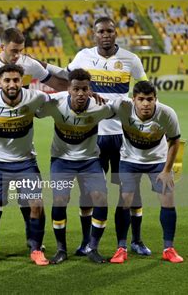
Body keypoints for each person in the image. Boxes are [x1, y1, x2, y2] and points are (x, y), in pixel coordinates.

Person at [45, 17, 151, 256]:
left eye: (109, 31)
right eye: (101, 31)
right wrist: (44, 66)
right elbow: (66, 76)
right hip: (95, 137)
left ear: (116, 33)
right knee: (88, 193)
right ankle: (86, 243)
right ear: (94, 35)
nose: (105, 35)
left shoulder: (131, 60)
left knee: (130, 190)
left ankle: (132, 241)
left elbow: (145, 89)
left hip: (123, 135)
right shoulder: (83, 56)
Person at [0, 27, 69, 251]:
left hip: (23, 137)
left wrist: (80, 91)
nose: (17, 56)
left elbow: (57, 84)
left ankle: (34, 244)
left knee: (29, 199)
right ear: (2, 47)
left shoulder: (28, 64)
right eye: (13, 51)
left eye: (21, 51)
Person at [0, 64, 50, 266]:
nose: (12, 84)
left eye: (16, 80)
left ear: (22, 81)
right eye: (7, 80)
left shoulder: (35, 97)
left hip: (25, 163)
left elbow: (62, 98)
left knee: (36, 204)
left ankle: (36, 249)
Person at [36, 68, 115, 264]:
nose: (80, 94)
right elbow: (34, 108)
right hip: (62, 161)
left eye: (85, 89)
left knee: (100, 198)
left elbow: (123, 109)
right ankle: (61, 249)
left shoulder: (100, 106)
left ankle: (92, 247)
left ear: (90, 89)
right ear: (69, 89)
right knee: (60, 199)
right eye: (76, 89)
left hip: (90, 161)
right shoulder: (55, 103)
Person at [109, 81, 183, 263]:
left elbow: (174, 141)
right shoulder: (122, 106)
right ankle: (121, 247)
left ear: (155, 99)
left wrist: (167, 170)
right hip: (129, 160)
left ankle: (169, 248)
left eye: (150, 99)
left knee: (167, 199)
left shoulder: (166, 113)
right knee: (124, 201)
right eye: (141, 99)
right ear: (133, 99)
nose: (145, 104)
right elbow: (102, 105)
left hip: (157, 161)